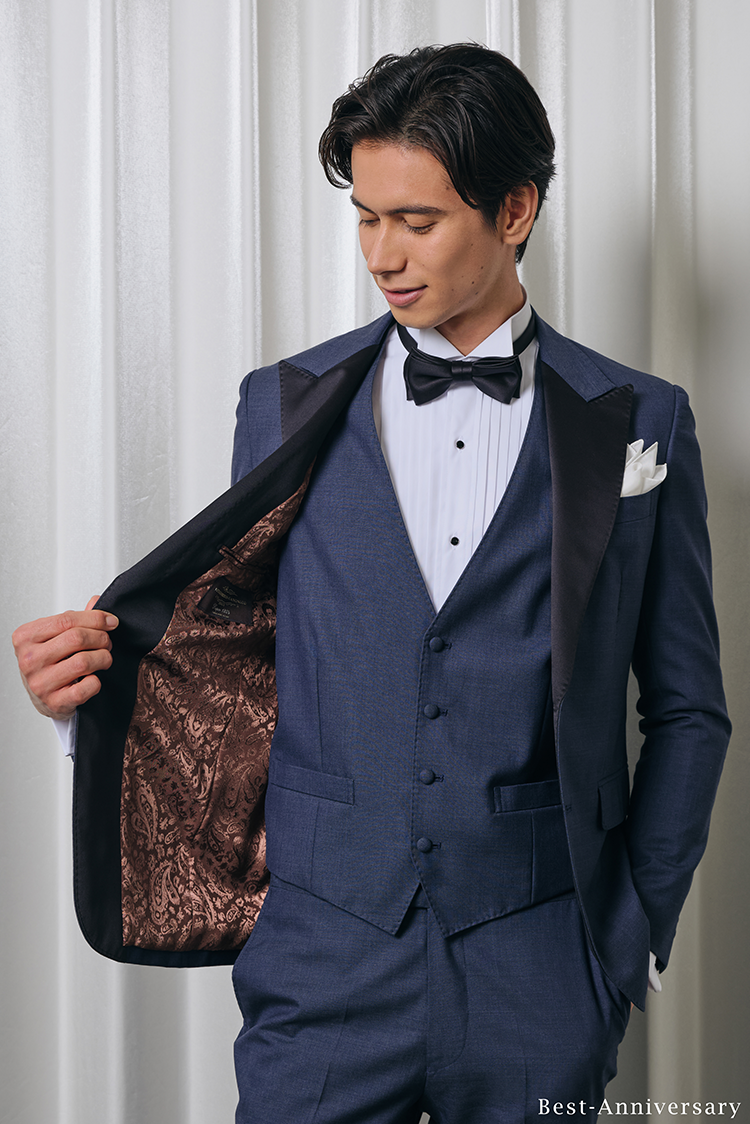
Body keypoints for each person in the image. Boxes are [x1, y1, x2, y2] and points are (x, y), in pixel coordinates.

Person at [12, 44, 730, 1123]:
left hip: (542, 965)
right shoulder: (280, 405)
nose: (382, 255)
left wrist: (628, 940)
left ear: (516, 210)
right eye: (366, 218)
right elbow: (235, 660)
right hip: (322, 963)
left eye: (418, 221)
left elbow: (686, 710)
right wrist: (87, 694)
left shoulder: (641, 419)